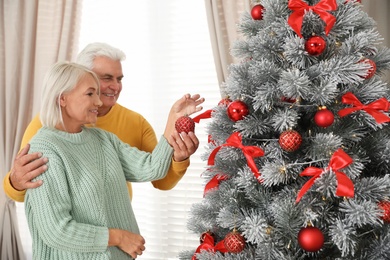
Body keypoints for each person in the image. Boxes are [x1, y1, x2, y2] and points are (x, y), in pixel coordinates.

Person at [25, 61, 199, 259]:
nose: (99, 102)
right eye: (90, 94)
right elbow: (55, 231)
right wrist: (118, 238)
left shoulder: (102, 139)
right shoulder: (44, 149)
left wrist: (173, 120)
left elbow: (152, 168)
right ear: (62, 98)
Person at [3, 42, 204, 201]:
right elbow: (21, 193)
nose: (115, 87)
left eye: (119, 79)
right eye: (107, 78)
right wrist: (16, 181)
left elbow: (161, 178)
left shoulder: (134, 123)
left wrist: (179, 157)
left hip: (120, 239)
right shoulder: (46, 125)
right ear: (82, 77)